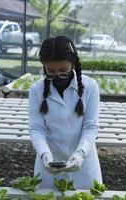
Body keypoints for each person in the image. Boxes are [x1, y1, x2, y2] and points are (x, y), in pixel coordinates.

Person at [28, 35, 102, 189]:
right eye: (51, 72)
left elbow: (90, 127)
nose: (57, 76)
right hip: (49, 160)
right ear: (44, 67)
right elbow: (36, 128)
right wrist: (44, 154)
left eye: (63, 71)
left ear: (73, 64)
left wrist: (80, 154)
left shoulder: (90, 86)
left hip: (84, 164)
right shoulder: (37, 89)